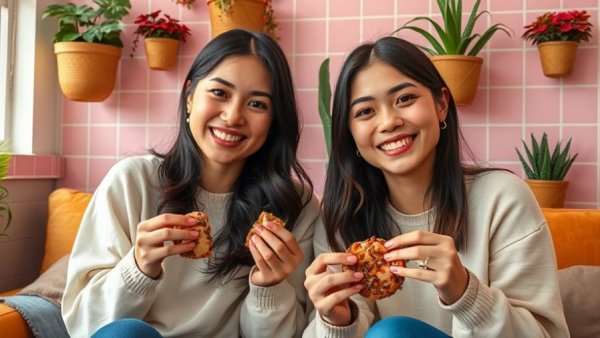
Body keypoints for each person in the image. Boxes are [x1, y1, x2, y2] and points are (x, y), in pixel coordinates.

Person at [303, 36, 569, 337]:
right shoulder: (341, 217)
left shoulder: (502, 199)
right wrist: (338, 321)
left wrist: (465, 293)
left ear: (441, 104)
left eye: (404, 99)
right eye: (365, 112)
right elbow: (347, 319)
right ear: (349, 133)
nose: (389, 122)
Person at [62, 29, 320, 338]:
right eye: (220, 93)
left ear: (274, 120)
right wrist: (139, 268)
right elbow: (82, 327)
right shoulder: (132, 182)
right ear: (189, 97)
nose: (232, 116)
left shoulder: (295, 206)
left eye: (257, 104)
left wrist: (269, 286)